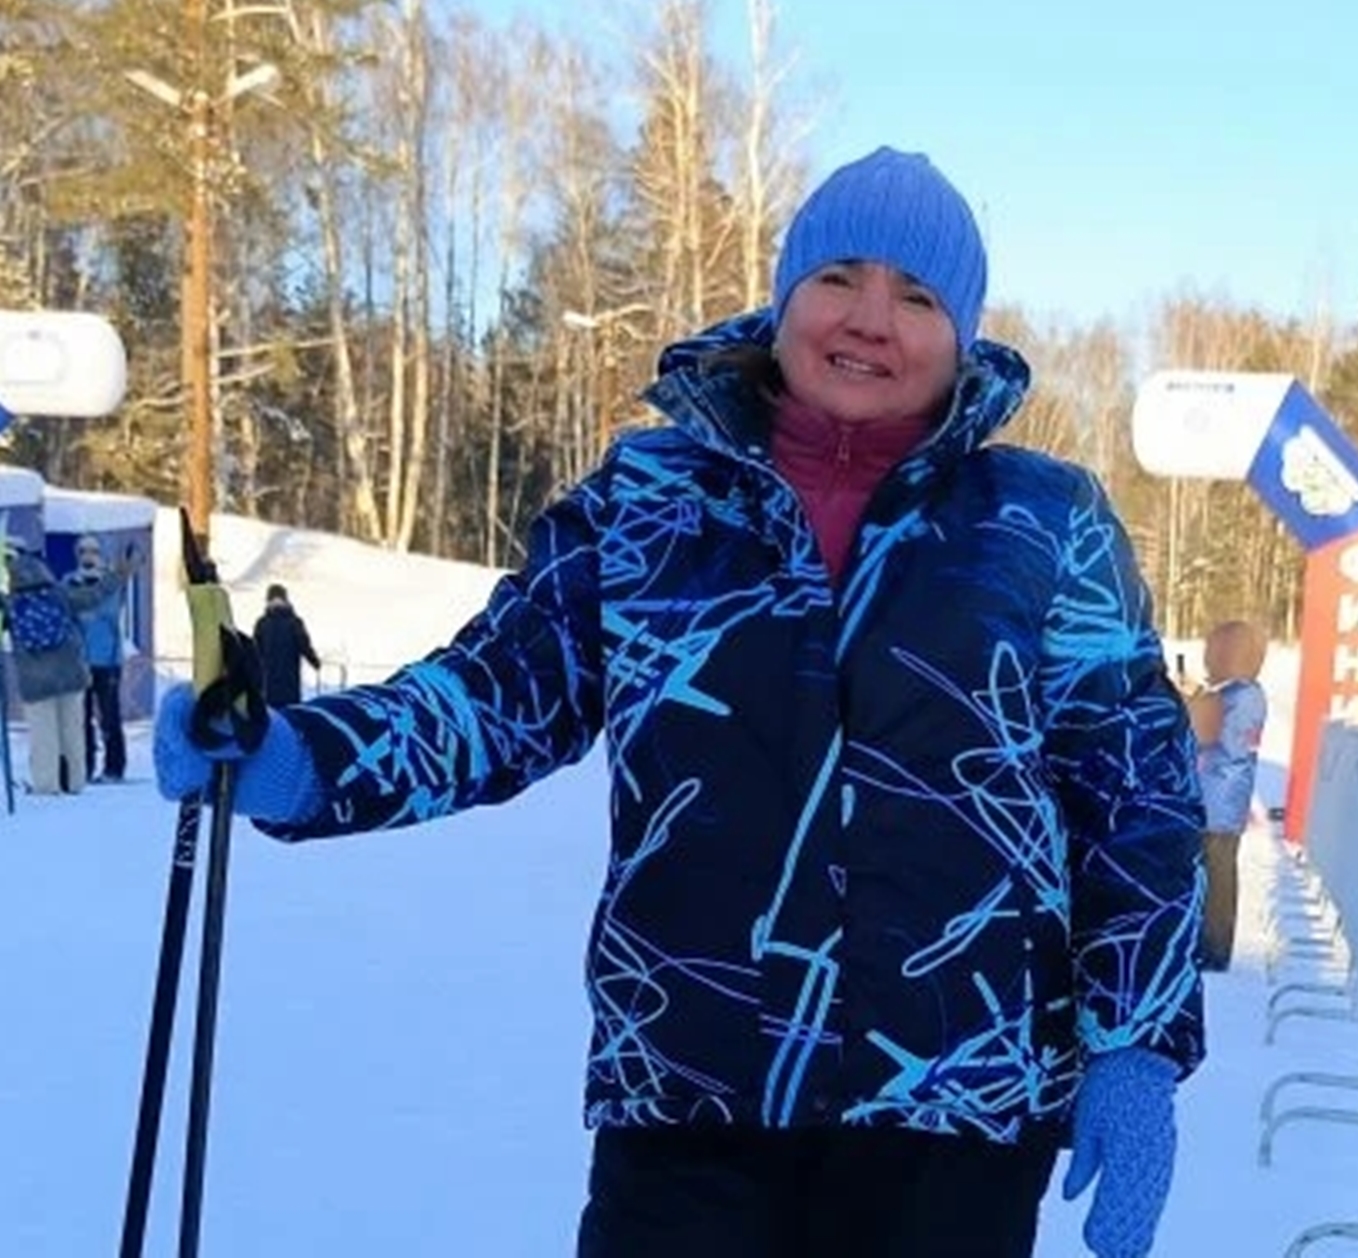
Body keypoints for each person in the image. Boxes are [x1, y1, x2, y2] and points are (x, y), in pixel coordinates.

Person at [153, 146, 1206, 1258]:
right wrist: (299, 758)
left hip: (953, 1111)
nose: (870, 318)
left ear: (963, 334)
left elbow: (1133, 793)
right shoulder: (647, 502)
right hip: (688, 1090)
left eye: (917, 296)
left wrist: (1134, 1044)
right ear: (785, 296)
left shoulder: (1044, 522)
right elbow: (496, 695)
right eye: (838, 277)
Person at [1184, 620, 1269, 972]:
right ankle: (1208, 942)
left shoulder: (1237, 696)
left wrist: (1192, 703)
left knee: (1216, 876)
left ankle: (1214, 947)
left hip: (1217, 801)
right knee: (1214, 872)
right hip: (1221, 801)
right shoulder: (1242, 694)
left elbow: (1204, 732)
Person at [4, 545, 91, 795]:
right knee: (72, 732)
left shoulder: (12, 605)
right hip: (70, 674)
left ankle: (46, 785)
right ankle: (75, 782)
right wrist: (120, 573)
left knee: (43, 736)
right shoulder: (60, 595)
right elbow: (94, 596)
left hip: (35, 681)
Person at [63, 534, 139, 782]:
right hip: (79, 662)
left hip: (108, 661)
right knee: (80, 719)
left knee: (110, 717)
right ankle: (84, 766)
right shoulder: (69, 582)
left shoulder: (110, 582)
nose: (88, 557)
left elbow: (110, 611)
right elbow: (66, 612)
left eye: (93, 551)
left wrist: (89, 605)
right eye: (83, 551)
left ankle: (114, 767)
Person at [252, 582, 320, 706]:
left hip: (269, 679)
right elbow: (304, 645)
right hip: (289, 677)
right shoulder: (294, 622)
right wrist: (314, 661)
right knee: (290, 708)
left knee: (272, 708)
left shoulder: (262, 623)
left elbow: (255, 651)